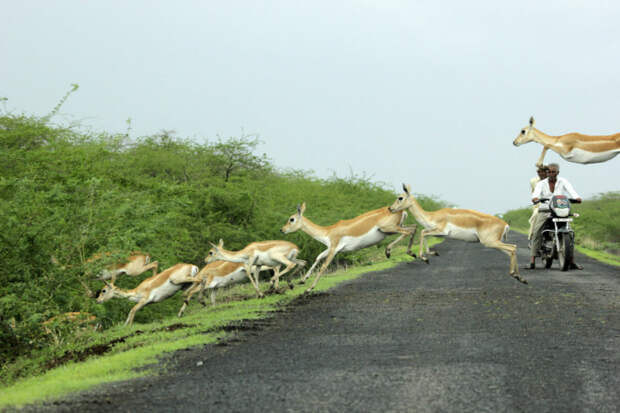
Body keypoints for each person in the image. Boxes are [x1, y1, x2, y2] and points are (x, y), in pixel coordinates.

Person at [529, 163, 583, 269]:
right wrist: (535, 198)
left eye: (553, 171)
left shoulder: (563, 181)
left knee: (570, 234)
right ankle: (532, 260)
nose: (551, 173)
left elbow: (571, 191)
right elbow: (535, 194)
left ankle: (571, 261)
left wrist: (577, 197)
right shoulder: (541, 183)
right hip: (545, 210)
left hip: (561, 209)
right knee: (537, 232)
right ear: (546, 172)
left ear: (557, 172)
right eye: (549, 171)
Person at [528, 164, 548, 241]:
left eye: (543, 172)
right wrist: (535, 199)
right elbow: (533, 193)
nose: (541, 174)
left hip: (552, 205)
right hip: (539, 205)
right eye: (539, 171)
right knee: (536, 215)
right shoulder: (534, 181)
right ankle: (532, 236)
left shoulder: (553, 180)